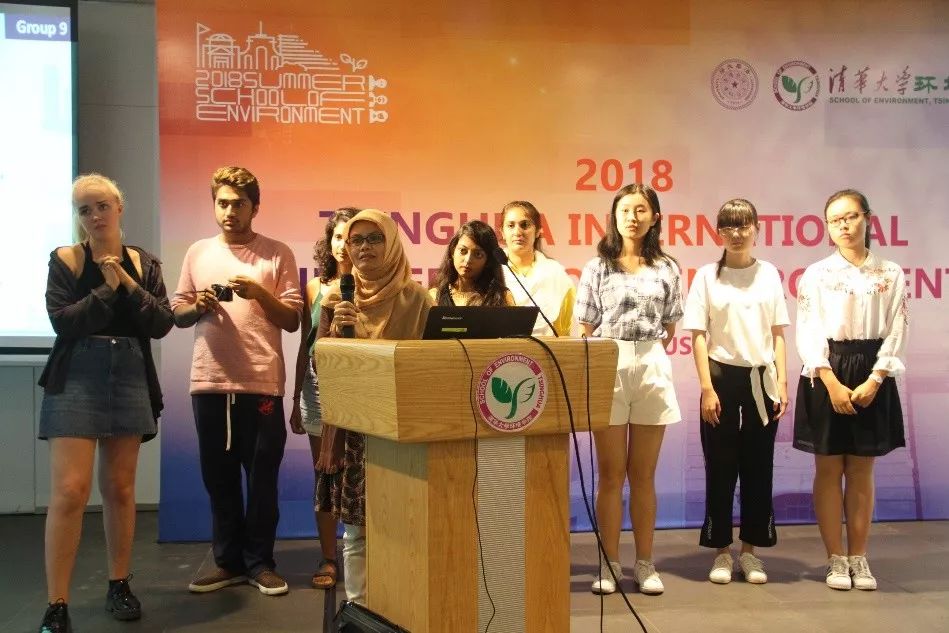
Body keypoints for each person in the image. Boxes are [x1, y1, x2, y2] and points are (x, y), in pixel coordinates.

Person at [37, 174, 174, 632]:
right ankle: (57, 603)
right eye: (84, 210)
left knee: (119, 488)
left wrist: (126, 282)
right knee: (70, 490)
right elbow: (63, 322)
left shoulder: (144, 262)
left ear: (119, 207)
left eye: (101, 206)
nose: (94, 216)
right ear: (78, 217)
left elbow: (161, 323)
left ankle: (119, 583)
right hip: (77, 373)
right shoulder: (66, 259)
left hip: (130, 373)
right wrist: (105, 287)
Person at [171, 166, 302, 597]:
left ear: (255, 207)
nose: (230, 211)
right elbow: (177, 313)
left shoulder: (277, 253)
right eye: (222, 203)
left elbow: (292, 319)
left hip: (261, 381)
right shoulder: (197, 252)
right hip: (209, 381)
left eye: (239, 204)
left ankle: (260, 563)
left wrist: (259, 293)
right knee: (219, 478)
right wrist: (198, 305)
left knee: (262, 478)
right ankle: (227, 563)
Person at [315, 209, 432, 604]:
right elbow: (319, 366)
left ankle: (402, 606)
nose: (364, 247)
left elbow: (429, 365)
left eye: (374, 238)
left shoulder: (418, 299)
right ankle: (359, 609)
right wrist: (336, 334)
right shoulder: (336, 297)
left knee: (404, 526)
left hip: (403, 428)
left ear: (392, 243)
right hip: (354, 429)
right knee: (357, 532)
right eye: (356, 240)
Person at [794, 189, 907, 592]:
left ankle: (858, 555)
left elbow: (897, 327)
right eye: (835, 220)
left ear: (867, 218)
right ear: (827, 227)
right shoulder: (817, 274)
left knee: (861, 469)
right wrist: (830, 381)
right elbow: (807, 329)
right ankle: (835, 559)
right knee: (828, 468)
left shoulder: (890, 272)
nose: (843, 225)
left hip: (873, 370)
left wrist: (876, 379)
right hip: (826, 370)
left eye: (850, 216)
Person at [575, 183, 682, 596]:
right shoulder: (597, 267)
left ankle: (645, 563)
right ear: (614, 217)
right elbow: (585, 326)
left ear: (655, 217)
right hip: (608, 361)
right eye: (625, 210)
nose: (632, 217)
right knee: (610, 474)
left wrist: (643, 352)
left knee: (643, 475)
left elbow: (670, 325)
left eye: (640, 210)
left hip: (652, 361)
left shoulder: (667, 267)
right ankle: (608, 562)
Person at [682, 199, 790, 585]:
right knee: (720, 466)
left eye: (744, 226)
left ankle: (751, 552)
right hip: (720, 378)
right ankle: (721, 552)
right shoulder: (706, 277)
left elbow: (778, 333)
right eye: (728, 227)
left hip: (762, 380)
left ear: (756, 228)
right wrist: (706, 388)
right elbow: (698, 336)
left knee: (759, 467)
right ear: (718, 233)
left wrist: (782, 382)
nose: (736, 234)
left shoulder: (769, 274)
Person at [288, 207, 359, 590]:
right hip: (316, 393)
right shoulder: (315, 288)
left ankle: (364, 555)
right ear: (329, 242)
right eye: (338, 236)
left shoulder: (374, 286)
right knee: (325, 476)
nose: (343, 245)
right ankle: (329, 558)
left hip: (362, 393)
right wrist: (294, 397)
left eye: (352, 238)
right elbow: (306, 342)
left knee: (361, 477)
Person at [500, 201, 575, 334]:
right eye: (511, 225)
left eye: (525, 225)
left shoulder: (556, 274)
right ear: (502, 232)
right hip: (499, 347)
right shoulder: (491, 270)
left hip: (547, 346)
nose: (517, 232)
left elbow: (563, 332)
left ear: (538, 231)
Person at [429, 219, 514, 306]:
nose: (468, 260)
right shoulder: (434, 296)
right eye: (463, 251)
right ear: (452, 251)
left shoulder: (502, 297)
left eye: (478, 254)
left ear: (488, 261)